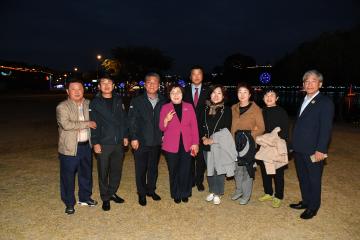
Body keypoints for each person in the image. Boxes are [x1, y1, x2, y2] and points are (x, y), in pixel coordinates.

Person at [290, 70, 334, 219]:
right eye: (306, 81)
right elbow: (300, 124)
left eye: (313, 81)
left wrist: (321, 149)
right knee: (303, 177)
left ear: (320, 84)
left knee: (314, 179)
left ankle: (313, 207)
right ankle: (306, 201)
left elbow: (326, 129)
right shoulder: (304, 99)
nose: (309, 84)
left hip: (313, 150)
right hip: (299, 148)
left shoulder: (325, 102)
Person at [56, 78, 98, 215]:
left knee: (86, 174)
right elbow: (66, 125)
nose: (77, 92)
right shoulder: (62, 107)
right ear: (67, 91)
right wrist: (87, 123)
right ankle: (69, 203)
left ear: (83, 90)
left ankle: (85, 198)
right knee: (67, 177)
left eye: (79, 89)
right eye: (73, 89)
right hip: (69, 149)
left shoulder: (89, 104)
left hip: (86, 146)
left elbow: (97, 121)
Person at [90, 73, 128, 211]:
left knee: (116, 171)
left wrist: (125, 135)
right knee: (103, 171)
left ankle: (112, 192)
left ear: (113, 86)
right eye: (103, 83)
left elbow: (124, 120)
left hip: (118, 142)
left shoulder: (118, 100)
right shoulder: (95, 103)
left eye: (109, 83)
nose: (106, 85)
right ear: (99, 86)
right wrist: (95, 142)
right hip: (104, 143)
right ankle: (105, 198)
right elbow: (94, 124)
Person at [128, 72, 167, 206]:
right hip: (141, 141)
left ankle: (151, 190)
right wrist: (133, 138)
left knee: (153, 168)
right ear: (145, 85)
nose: (152, 85)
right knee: (140, 169)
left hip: (157, 141)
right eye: (149, 82)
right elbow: (132, 121)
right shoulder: (137, 101)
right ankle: (142, 193)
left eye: (154, 82)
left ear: (159, 85)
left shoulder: (164, 101)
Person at [159, 84, 199, 203]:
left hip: (187, 144)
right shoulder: (165, 108)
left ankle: (185, 192)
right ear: (169, 95)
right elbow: (161, 127)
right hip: (171, 145)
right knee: (174, 170)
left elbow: (194, 127)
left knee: (185, 170)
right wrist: (166, 120)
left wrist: (195, 143)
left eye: (178, 92)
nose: (176, 95)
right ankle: (176, 193)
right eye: (173, 93)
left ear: (182, 94)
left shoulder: (189, 107)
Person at [230, 82, 265, 205]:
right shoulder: (233, 108)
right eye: (240, 92)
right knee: (237, 169)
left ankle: (246, 194)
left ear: (250, 94)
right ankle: (239, 190)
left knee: (247, 170)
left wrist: (248, 136)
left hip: (248, 145)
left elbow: (261, 127)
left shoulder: (256, 109)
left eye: (245, 92)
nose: (242, 94)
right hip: (234, 144)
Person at [200, 85, 235, 205]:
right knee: (209, 168)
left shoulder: (227, 110)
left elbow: (226, 129)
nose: (216, 95)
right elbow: (200, 125)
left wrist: (213, 140)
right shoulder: (204, 108)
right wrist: (204, 137)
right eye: (214, 93)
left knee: (219, 169)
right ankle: (212, 190)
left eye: (219, 93)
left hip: (219, 144)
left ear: (223, 96)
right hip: (205, 144)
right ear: (210, 95)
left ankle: (218, 193)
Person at [257, 89, 289, 208]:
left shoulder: (281, 111)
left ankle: (279, 196)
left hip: (276, 145)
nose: (269, 97)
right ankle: (268, 192)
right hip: (264, 145)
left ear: (277, 98)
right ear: (263, 98)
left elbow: (285, 130)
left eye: (272, 95)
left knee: (278, 172)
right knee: (265, 171)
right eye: (267, 95)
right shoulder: (261, 111)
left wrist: (283, 145)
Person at [183, 65, 210, 192]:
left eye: (199, 74)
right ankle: (190, 179)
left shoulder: (209, 91)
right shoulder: (183, 90)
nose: (197, 76)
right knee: (188, 157)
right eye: (194, 74)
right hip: (187, 130)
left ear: (202, 76)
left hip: (203, 130)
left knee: (201, 159)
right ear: (190, 76)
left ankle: (199, 181)